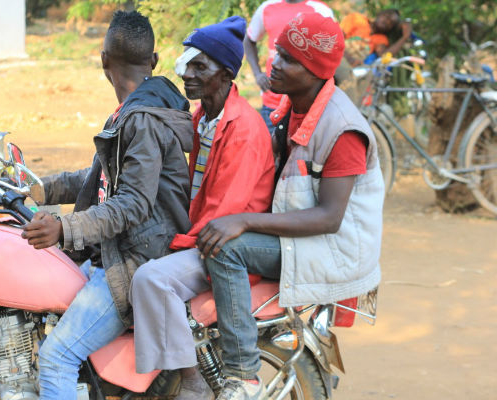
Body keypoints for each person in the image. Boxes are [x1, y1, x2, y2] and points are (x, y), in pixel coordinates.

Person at [199, 10, 384, 400]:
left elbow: (330, 217)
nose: (273, 63)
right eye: (276, 52)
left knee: (225, 249)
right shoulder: (289, 108)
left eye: (287, 59)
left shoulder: (342, 128)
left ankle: (242, 374)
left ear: (316, 71)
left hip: (334, 247)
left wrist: (245, 222)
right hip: (304, 234)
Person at [21, 10, 194, 400]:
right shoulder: (134, 110)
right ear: (152, 62)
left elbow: (131, 203)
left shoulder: (143, 120)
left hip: (133, 262)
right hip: (123, 250)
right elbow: (101, 177)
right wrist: (36, 187)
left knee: (56, 358)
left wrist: (64, 228)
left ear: (104, 61)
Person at [129, 16, 275, 400]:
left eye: (200, 67)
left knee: (150, 278)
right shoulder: (205, 118)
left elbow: (225, 214)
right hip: (202, 234)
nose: (188, 75)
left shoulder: (242, 128)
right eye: (187, 65)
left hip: (220, 245)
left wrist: (173, 242)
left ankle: (191, 381)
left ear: (226, 74)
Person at [243, 0, 335, 134]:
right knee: (271, 153)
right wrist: (257, 74)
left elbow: (332, 50)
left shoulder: (319, 10)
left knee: (302, 153)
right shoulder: (268, 7)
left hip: (306, 105)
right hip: (272, 103)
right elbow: (249, 40)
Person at [341, 8, 412, 66]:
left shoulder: (381, 39)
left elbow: (384, 56)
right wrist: (350, 59)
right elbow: (336, 37)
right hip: (337, 55)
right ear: (380, 14)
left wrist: (405, 37)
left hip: (350, 68)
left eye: (391, 23)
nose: (387, 22)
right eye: (387, 16)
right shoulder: (357, 18)